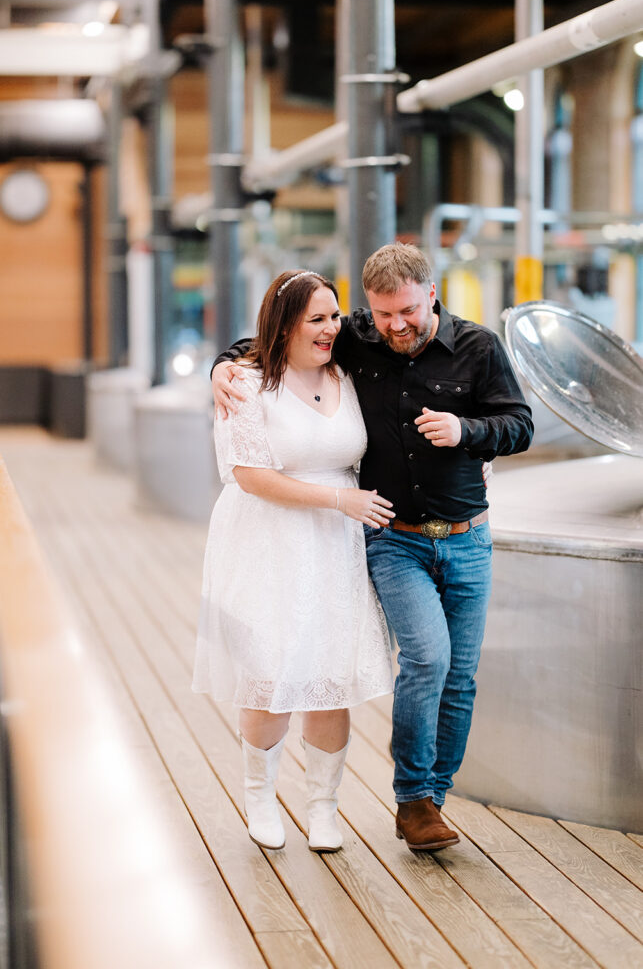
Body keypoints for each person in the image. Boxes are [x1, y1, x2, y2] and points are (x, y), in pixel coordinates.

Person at [212, 243, 534, 853]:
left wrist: (467, 431)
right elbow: (270, 339)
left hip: (467, 539)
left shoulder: (478, 347)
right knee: (425, 659)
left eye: (407, 311)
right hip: (390, 540)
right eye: (382, 314)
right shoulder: (354, 340)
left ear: (432, 294)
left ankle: (428, 800)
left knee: (458, 677)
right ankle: (410, 799)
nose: (395, 326)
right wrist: (220, 367)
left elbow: (519, 424)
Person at [193, 269, 394, 854]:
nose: (332, 329)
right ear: (284, 327)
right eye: (317, 319)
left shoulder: (346, 374)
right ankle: (259, 797)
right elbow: (252, 477)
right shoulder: (246, 384)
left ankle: (324, 808)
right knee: (269, 673)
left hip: (335, 544)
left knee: (331, 678)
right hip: (268, 539)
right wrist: (339, 499)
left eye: (335, 316)